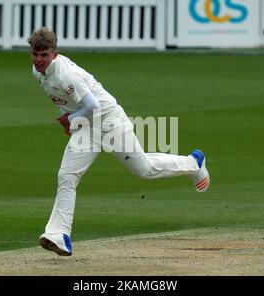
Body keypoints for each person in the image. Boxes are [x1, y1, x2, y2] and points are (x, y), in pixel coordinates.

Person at [28, 27, 210, 256]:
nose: (38, 59)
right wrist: (74, 122)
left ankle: (194, 163)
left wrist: (70, 119)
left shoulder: (65, 74)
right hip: (87, 126)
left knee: (144, 169)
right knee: (67, 175)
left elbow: (93, 106)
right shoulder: (37, 72)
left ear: (54, 53)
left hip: (109, 121)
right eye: (35, 54)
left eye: (44, 55)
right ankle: (59, 234)